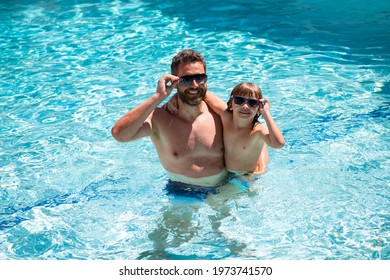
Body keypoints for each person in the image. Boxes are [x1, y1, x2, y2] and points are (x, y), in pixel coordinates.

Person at [111, 49, 229, 189]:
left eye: (199, 78)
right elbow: (120, 134)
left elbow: (251, 131)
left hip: (224, 188)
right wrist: (159, 96)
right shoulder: (159, 119)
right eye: (186, 79)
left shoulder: (220, 114)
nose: (195, 85)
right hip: (180, 192)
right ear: (175, 81)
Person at [167, 82, 285, 184]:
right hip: (227, 173)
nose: (245, 106)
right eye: (239, 100)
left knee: (215, 200)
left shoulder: (257, 130)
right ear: (231, 103)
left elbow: (279, 144)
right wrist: (177, 96)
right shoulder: (226, 116)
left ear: (259, 108)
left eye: (252, 103)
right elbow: (203, 93)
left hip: (247, 176)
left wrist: (267, 114)